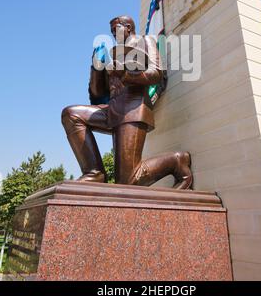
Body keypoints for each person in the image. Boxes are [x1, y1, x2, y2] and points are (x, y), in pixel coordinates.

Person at [61, 15, 193, 189]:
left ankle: (176, 161)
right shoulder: (113, 53)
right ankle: (94, 172)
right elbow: (98, 92)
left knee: (127, 181)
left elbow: (156, 73)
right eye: (112, 31)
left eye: (116, 29)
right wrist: (96, 67)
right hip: (112, 108)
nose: (114, 33)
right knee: (71, 114)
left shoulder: (145, 41)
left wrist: (125, 74)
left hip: (132, 109)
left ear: (129, 27)